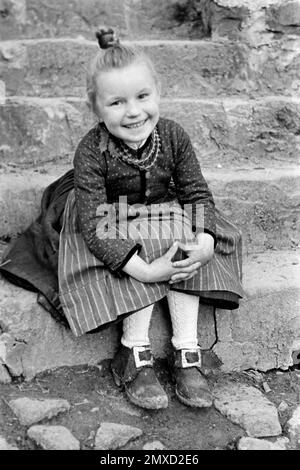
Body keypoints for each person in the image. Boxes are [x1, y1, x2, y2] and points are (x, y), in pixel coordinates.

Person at [58, 27, 244, 410]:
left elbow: (195, 193)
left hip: (163, 210)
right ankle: (133, 349)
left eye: (143, 96)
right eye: (116, 103)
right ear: (95, 108)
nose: (134, 112)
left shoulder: (173, 136)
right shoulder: (92, 151)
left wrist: (206, 240)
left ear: (157, 93)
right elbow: (95, 224)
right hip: (110, 218)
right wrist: (145, 270)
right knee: (144, 246)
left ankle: (187, 350)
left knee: (185, 239)